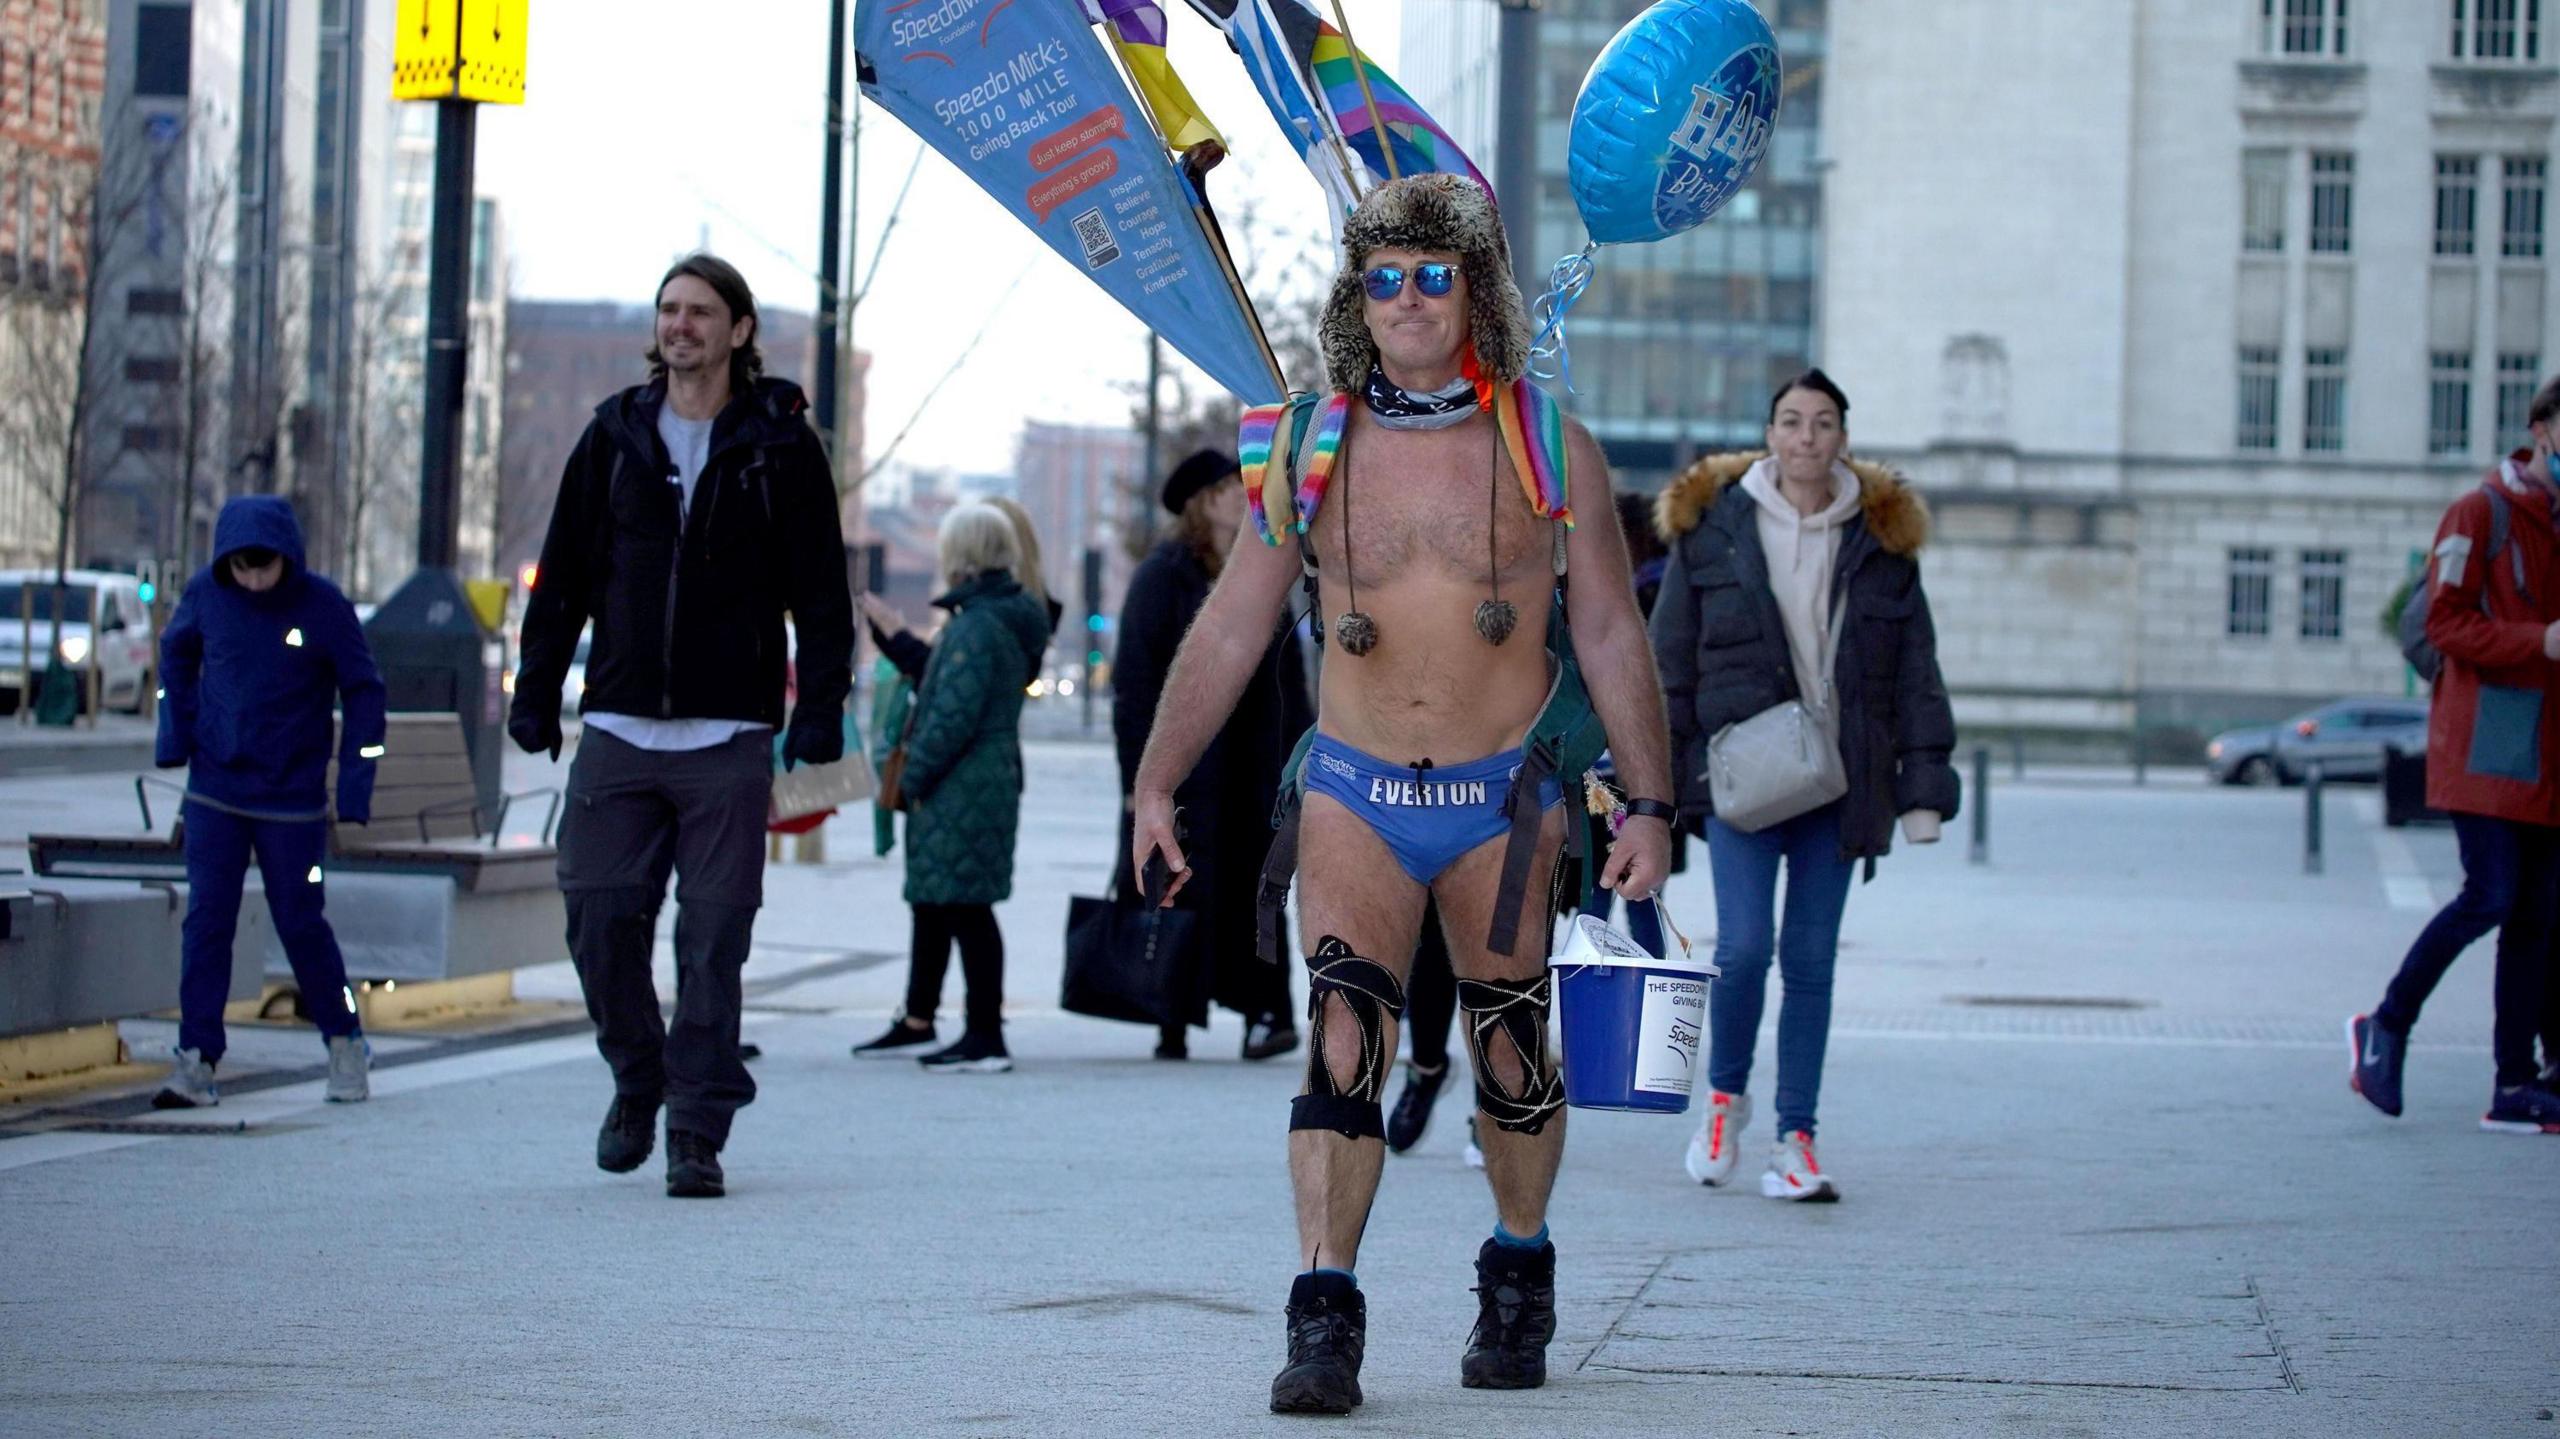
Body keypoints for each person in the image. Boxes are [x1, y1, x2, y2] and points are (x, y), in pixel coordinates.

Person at [1128, 174, 1674, 1413]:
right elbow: (1228, 630)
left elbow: (1608, 629)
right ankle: (1322, 1306)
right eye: (1385, 276)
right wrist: (1155, 782)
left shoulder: (1550, 445)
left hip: (1512, 796)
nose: (1411, 298)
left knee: (1510, 1048)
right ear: (1354, 297)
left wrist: (1650, 799)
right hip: (1353, 789)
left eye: (1437, 273)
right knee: (1343, 1034)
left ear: (1477, 287)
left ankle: (1518, 1269)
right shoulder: (1306, 447)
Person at [509, 253, 854, 1199]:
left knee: (713, 937)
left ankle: (696, 1129)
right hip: (619, 726)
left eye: (700, 311)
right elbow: (564, 574)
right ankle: (637, 1076)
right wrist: (537, 690)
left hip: (729, 738)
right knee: (598, 916)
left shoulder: (780, 448)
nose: (680, 325)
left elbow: (820, 596)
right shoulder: (613, 437)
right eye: (669, 310)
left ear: (738, 331)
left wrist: (819, 708)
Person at [1650, 368, 1959, 1202]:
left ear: (1842, 440)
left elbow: (1915, 673)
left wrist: (1923, 788)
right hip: (1745, 778)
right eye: (1792, 422)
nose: (1807, 438)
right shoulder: (1715, 530)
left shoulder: (1881, 543)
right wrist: (1661, 786)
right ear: (1771, 436)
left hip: (1841, 780)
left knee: (1811, 963)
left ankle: (1798, 1136)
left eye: (1823, 424)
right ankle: (1723, 1103)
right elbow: (1667, 663)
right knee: (1745, 949)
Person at [2350, 374, 2560, 1134]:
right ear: (2542, 427)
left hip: (2548, 745)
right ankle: (2386, 1022)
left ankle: (2515, 1083)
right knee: (2491, 896)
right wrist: (2538, 639)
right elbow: (2443, 623)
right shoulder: (2482, 510)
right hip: (2485, 739)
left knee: (2535, 915)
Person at [151, 496, 385, 1109]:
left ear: (288, 559)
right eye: (242, 569)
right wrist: (178, 734)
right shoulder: (207, 594)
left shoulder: (324, 606)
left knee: (301, 922)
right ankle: (196, 1057)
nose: (253, 581)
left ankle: (346, 1039)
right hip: (216, 792)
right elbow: (175, 654)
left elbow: (365, 691)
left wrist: (354, 783)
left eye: (265, 568)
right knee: (208, 921)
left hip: (292, 801)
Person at [1113, 447, 1313, 1062]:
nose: (1244, 493)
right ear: (1205, 501)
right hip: (1191, 776)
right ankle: (1169, 1015)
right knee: (1180, 887)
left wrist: (1303, 764)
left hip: (1254, 772)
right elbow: (1136, 685)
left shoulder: (1260, 574)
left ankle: (1266, 1014)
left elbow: (1289, 686)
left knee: (1259, 890)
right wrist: (1140, 780)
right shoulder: (1164, 574)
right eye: (1232, 486)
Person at [850, 497, 1061, 1059]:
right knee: (940, 899)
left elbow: (950, 717)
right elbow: (949, 687)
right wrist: (897, 639)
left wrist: (910, 780)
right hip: (979, 782)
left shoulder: (979, 626)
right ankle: (921, 1018)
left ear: (961, 553)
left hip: (962, 785)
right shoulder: (994, 616)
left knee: (966, 907)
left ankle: (984, 1035)